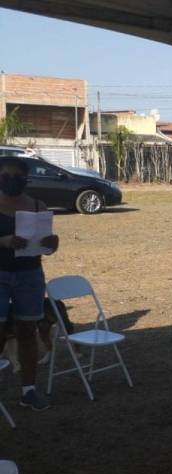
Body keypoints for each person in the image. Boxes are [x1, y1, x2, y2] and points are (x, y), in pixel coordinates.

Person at [0, 156, 60, 411]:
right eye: (6, 176)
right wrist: (4, 241)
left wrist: (51, 244)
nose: (12, 180)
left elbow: (44, 242)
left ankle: (29, 390)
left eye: (17, 176)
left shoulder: (38, 206)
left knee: (27, 330)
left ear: (26, 178)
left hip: (30, 275)